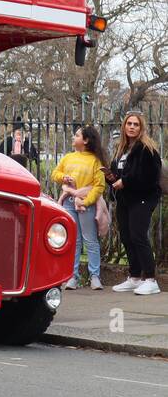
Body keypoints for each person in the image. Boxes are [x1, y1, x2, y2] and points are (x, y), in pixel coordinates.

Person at [108, 110, 163, 295]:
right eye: (129, 124)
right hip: (125, 198)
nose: (132, 127)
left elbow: (149, 176)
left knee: (138, 235)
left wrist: (125, 181)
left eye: (136, 124)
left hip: (143, 197)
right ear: (124, 126)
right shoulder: (121, 149)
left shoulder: (147, 149)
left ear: (141, 128)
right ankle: (134, 277)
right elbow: (119, 174)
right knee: (126, 236)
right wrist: (111, 178)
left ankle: (150, 279)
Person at [52, 124, 108, 290]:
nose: (73, 138)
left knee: (90, 240)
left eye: (76, 135)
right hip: (69, 202)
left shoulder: (95, 161)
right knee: (73, 241)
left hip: (86, 204)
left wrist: (85, 201)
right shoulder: (68, 157)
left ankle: (95, 276)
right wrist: (64, 177)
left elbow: (99, 186)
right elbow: (55, 174)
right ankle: (72, 277)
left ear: (85, 140)